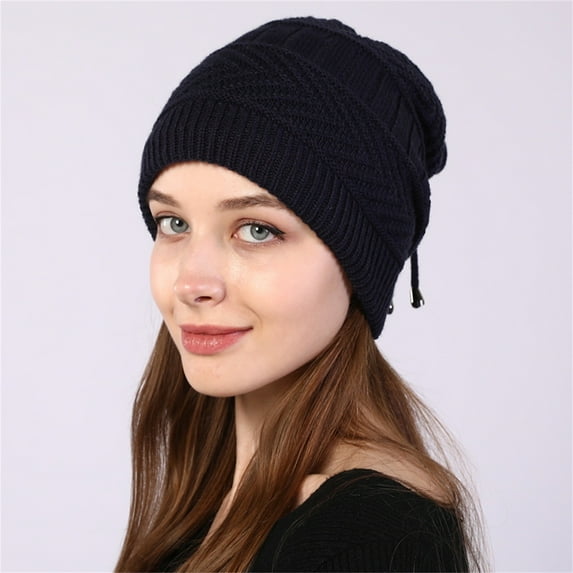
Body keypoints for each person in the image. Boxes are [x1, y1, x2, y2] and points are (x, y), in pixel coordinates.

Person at [116, 16, 485, 572]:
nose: (191, 283)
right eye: (174, 223)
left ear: (359, 263)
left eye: (256, 229)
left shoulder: (367, 538)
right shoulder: (213, 501)